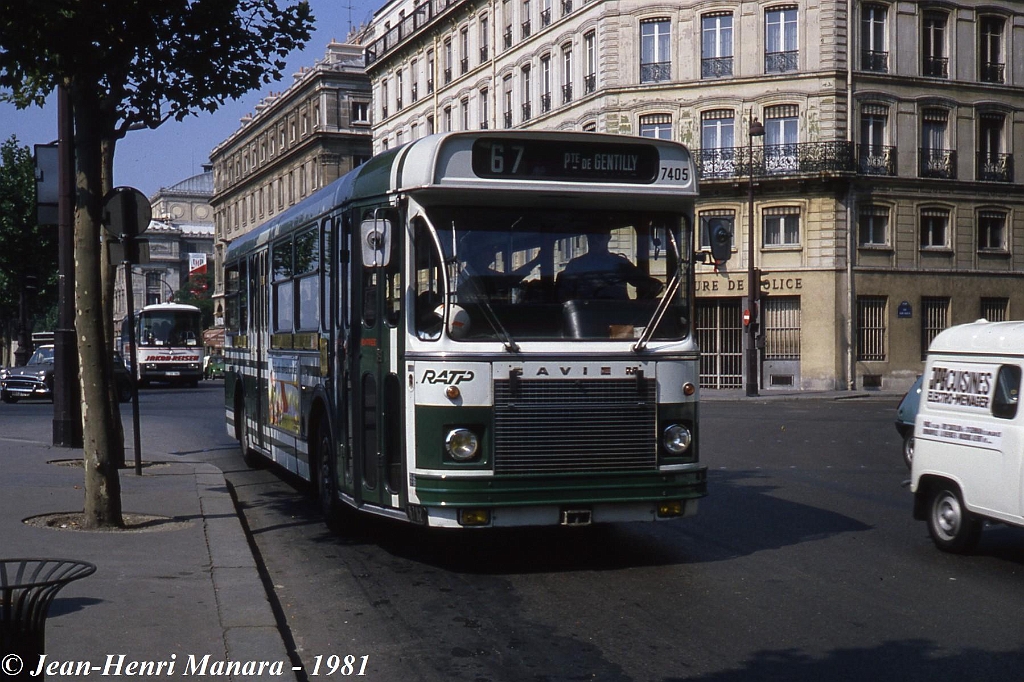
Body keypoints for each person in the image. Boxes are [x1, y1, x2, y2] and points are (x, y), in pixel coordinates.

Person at [556, 230, 662, 301]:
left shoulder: (620, 263)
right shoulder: (576, 265)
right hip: (585, 317)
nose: (595, 241)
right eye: (592, 237)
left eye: (600, 237)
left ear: (608, 238)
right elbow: (564, 296)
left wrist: (645, 299)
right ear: (588, 238)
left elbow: (648, 284)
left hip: (619, 316)